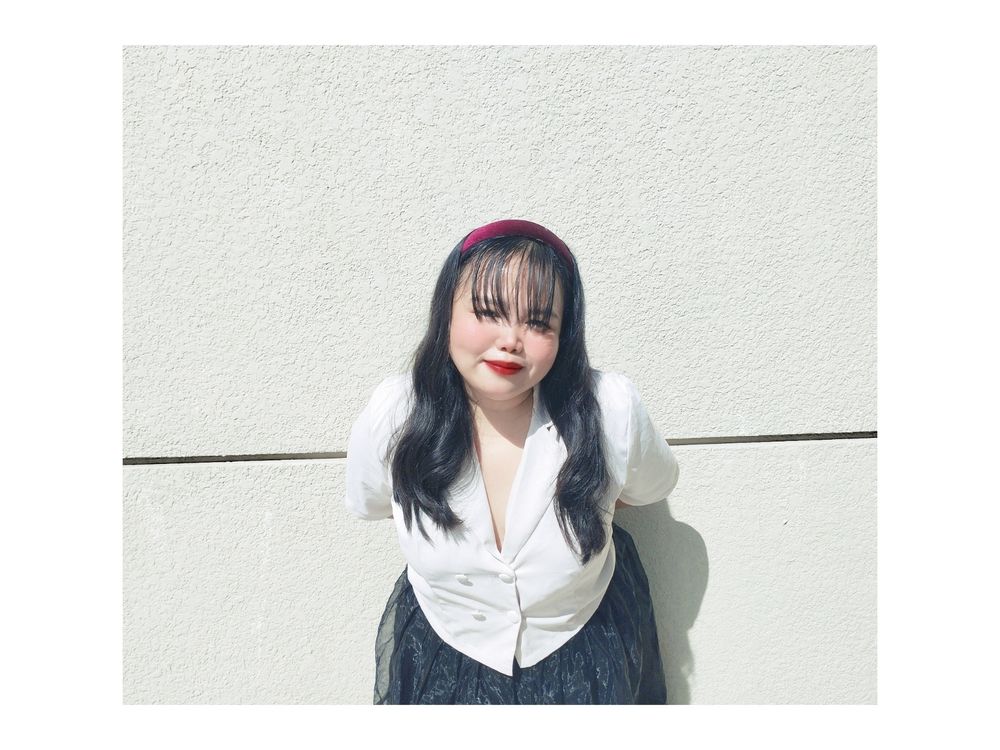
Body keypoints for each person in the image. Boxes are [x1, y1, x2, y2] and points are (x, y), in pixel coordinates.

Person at [345, 219, 680, 704]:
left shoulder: (611, 408)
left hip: (582, 651)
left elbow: (648, 487)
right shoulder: (396, 413)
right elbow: (372, 501)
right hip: (445, 656)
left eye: (539, 322)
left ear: (565, 334)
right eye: (487, 312)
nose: (511, 339)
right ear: (447, 313)